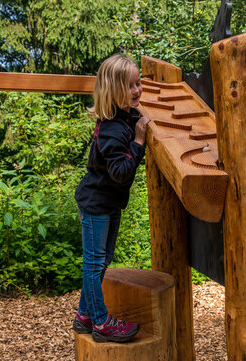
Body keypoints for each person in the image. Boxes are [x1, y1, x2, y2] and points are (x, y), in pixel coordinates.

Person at [71, 54, 150, 343]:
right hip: (96, 204)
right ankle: (102, 322)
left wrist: (139, 121)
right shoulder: (112, 129)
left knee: (102, 262)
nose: (138, 90)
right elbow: (119, 172)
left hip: (109, 203)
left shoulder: (123, 117)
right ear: (113, 90)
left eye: (139, 83)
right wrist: (139, 142)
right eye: (130, 86)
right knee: (94, 264)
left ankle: (84, 316)